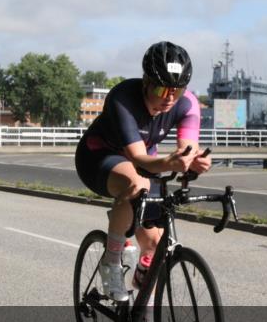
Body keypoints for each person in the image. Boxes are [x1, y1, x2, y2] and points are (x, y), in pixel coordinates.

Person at [74, 42, 211, 301]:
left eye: (177, 90)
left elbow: (187, 150)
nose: (169, 98)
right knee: (135, 184)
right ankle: (111, 262)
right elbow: (139, 158)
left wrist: (194, 161)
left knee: (155, 244)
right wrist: (170, 163)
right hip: (98, 156)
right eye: (162, 89)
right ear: (146, 82)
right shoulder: (123, 97)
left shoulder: (188, 104)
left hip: (142, 160)